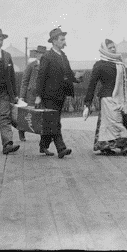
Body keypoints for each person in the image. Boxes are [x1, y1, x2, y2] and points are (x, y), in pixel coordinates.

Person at [35, 27, 83, 158]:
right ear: (54, 41)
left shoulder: (63, 56)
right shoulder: (47, 56)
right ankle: (61, 148)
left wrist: (77, 79)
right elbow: (41, 77)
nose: (64, 41)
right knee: (55, 122)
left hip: (60, 95)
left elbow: (68, 73)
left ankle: (43, 145)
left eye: (64, 39)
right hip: (49, 95)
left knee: (51, 121)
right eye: (62, 39)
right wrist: (38, 96)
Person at [84, 39, 127, 156]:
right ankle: (122, 145)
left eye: (114, 47)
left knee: (111, 123)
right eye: (110, 48)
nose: (113, 49)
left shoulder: (119, 63)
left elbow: (123, 84)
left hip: (119, 99)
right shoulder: (100, 65)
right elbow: (92, 84)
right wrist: (87, 103)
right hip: (107, 99)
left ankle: (107, 145)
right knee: (115, 122)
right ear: (104, 50)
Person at [17, 45, 47, 142]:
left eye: (43, 54)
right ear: (36, 54)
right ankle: (21, 132)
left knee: (42, 115)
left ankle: (43, 136)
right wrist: (22, 96)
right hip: (31, 94)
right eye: (39, 53)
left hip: (43, 95)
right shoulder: (31, 65)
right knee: (27, 114)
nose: (41, 55)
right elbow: (25, 81)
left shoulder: (48, 66)